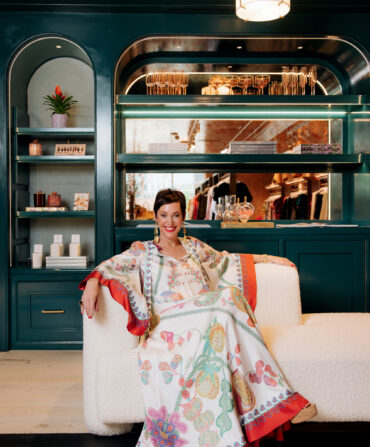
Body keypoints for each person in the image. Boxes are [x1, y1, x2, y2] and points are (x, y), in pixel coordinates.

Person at [79, 189, 317, 447]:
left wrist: (268, 258)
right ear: (156, 219)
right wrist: (93, 281)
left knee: (228, 301)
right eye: (164, 215)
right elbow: (110, 266)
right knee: (227, 298)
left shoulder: (194, 246)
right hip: (171, 325)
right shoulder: (144, 251)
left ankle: (273, 406)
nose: (170, 222)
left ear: (183, 218)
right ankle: (282, 402)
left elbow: (226, 261)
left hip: (207, 320)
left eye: (176, 215)